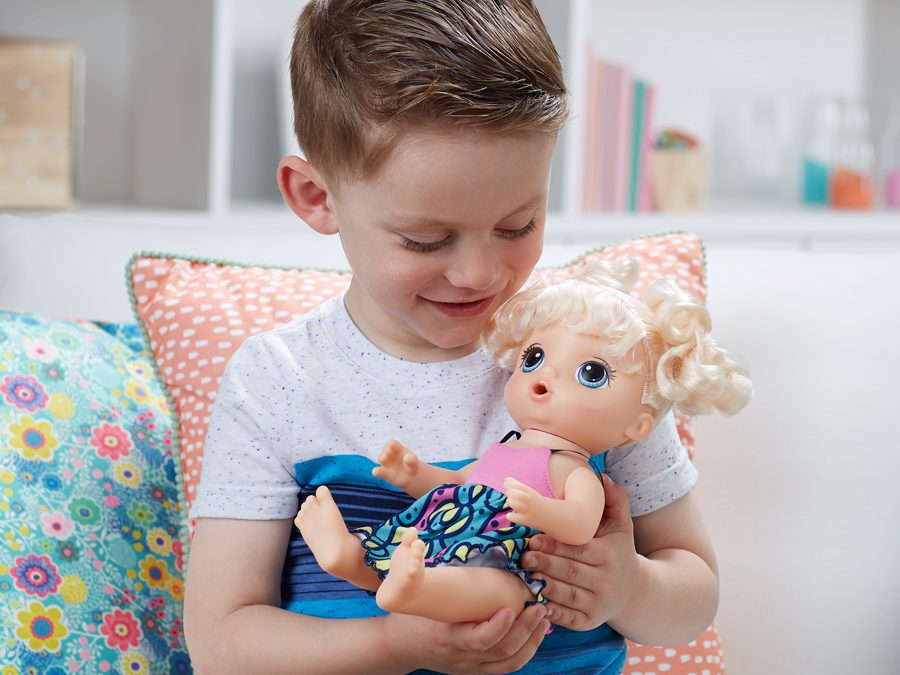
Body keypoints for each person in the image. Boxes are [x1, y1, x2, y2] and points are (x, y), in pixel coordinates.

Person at [183, 1, 728, 673]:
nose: (478, 273)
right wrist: (392, 643)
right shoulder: (279, 378)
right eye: (426, 239)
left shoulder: (595, 352)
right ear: (317, 197)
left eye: (518, 224)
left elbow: (693, 588)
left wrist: (630, 586)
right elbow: (220, 643)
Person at [294, 257, 751, 628]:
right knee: (402, 543)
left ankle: (415, 591)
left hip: (509, 553)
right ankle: (352, 559)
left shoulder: (578, 472)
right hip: (448, 526)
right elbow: (457, 481)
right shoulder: (506, 449)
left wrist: (541, 511)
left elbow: (578, 523)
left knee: (502, 593)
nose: (544, 377)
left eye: (590, 374)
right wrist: (416, 475)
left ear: (638, 425)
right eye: (534, 358)